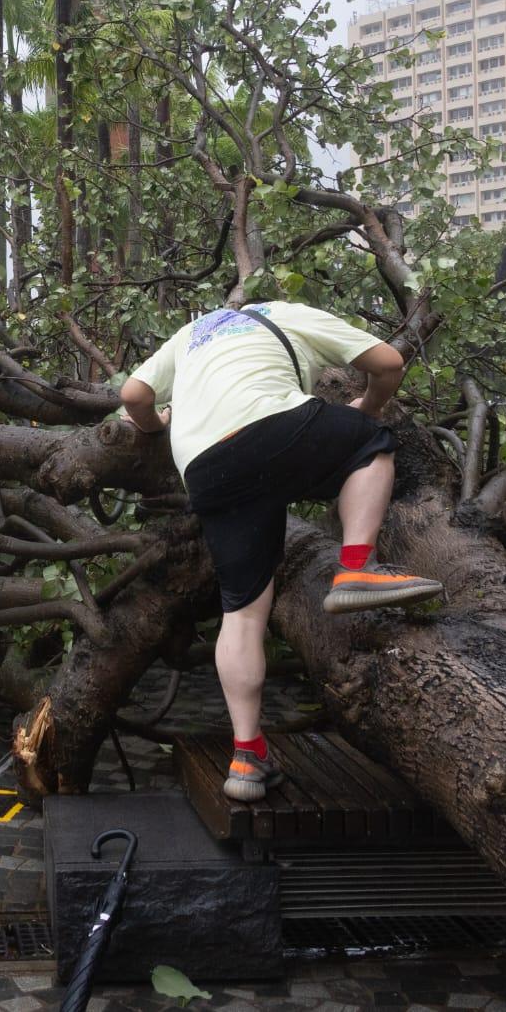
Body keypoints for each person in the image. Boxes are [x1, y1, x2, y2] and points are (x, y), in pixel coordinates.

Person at [119, 300, 442, 802]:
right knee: (370, 443)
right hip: (271, 424)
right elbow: (389, 364)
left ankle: (246, 756)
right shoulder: (284, 312)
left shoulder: (191, 334)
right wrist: (367, 409)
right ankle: (356, 567)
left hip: (206, 470)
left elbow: (133, 394)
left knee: (243, 612)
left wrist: (156, 427)